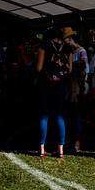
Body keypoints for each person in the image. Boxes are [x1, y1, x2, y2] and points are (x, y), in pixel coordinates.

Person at [35, 27, 73, 158]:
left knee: (44, 115)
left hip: (46, 84)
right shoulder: (68, 48)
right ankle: (60, 149)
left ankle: (41, 148)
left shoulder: (44, 46)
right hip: (62, 85)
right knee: (59, 115)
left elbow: (39, 68)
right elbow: (70, 70)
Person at [62, 27, 89, 152]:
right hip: (70, 88)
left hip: (77, 87)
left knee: (76, 115)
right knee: (69, 115)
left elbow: (86, 70)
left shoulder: (80, 51)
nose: (63, 42)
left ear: (70, 39)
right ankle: (68, 140)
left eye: (65, 39)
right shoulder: (68, 51)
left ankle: (76, 142)